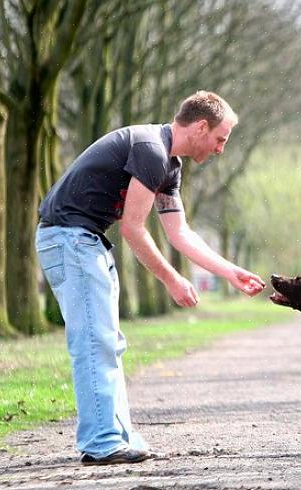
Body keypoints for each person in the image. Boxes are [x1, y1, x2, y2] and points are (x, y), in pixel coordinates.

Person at [35, 91, 266, 465]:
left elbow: (180, 234)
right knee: (95, 341)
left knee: (109, 341)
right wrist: (171, 279)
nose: (222, 148)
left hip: (86, 241)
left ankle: (116, 435)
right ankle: (101, 442)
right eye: (221, 139)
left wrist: (230, 272)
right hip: (69, 238)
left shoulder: (169, 165)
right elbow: (133, 229)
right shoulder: (150, 149)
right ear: (201, 127)